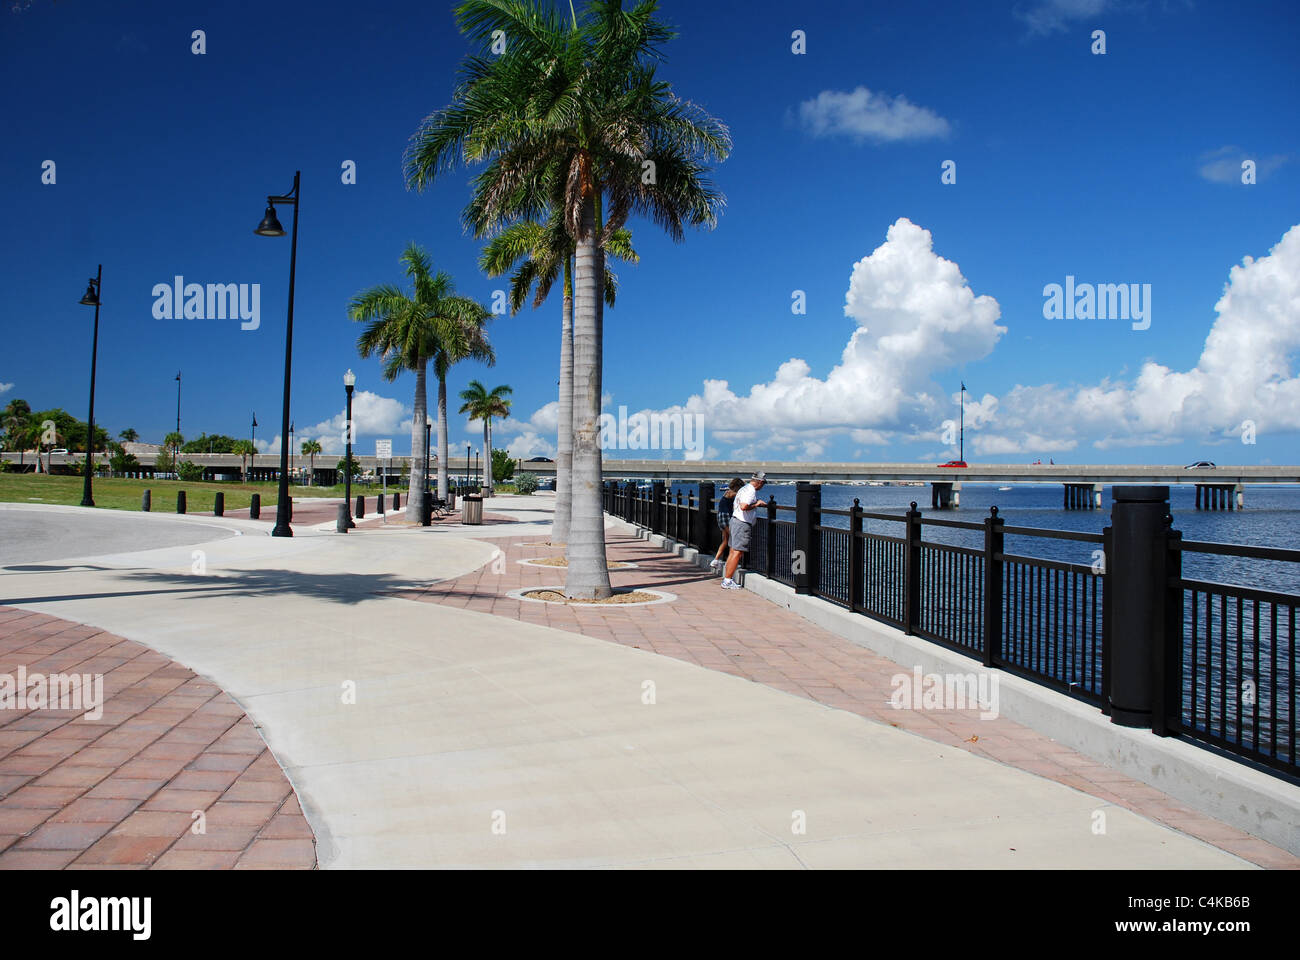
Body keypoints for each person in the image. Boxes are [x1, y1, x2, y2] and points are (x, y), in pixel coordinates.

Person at [722, 471, 767, 590]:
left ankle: (727, 578)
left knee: (733, 551)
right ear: (760, 482)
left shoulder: (744, 488)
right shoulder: (750, 491)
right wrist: (757, 504)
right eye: (763, 484)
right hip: (742, 523)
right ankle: (727, 581)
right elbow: (744, 506)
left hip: (735, 521)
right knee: (737, 552)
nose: (763, 486)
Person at [709, 478, 744, 573]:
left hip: (722, 516)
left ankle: (715, 560)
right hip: (725, 516)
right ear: (737, 486)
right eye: (740, 487)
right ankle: (732, 561)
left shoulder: (728, 492)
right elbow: (739, 497)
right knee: (733, 538)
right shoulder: (731, 492)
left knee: (726, 540)